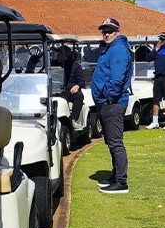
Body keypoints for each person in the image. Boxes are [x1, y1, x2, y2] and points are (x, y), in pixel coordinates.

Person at [91, 17, 134, 193]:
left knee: (115, 142)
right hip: (107, 102)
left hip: (112, 102)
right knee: (111, 142)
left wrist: (108, 97)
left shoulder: (118, 50)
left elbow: (117, 78)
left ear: (117, 32)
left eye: (110, 31)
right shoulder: (109, 49)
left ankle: (121, 182)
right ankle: (116, 176)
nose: (106, 34)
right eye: (104, 31)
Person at [57, 46, 87, 121]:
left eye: (59, 54)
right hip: (56, 90)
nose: (57, 55)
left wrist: (77, 86)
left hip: (70, 91)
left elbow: (82, 81)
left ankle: (72, 120)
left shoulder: (75, 66)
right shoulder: (53, 64)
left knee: (79, 96)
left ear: (65, 56)